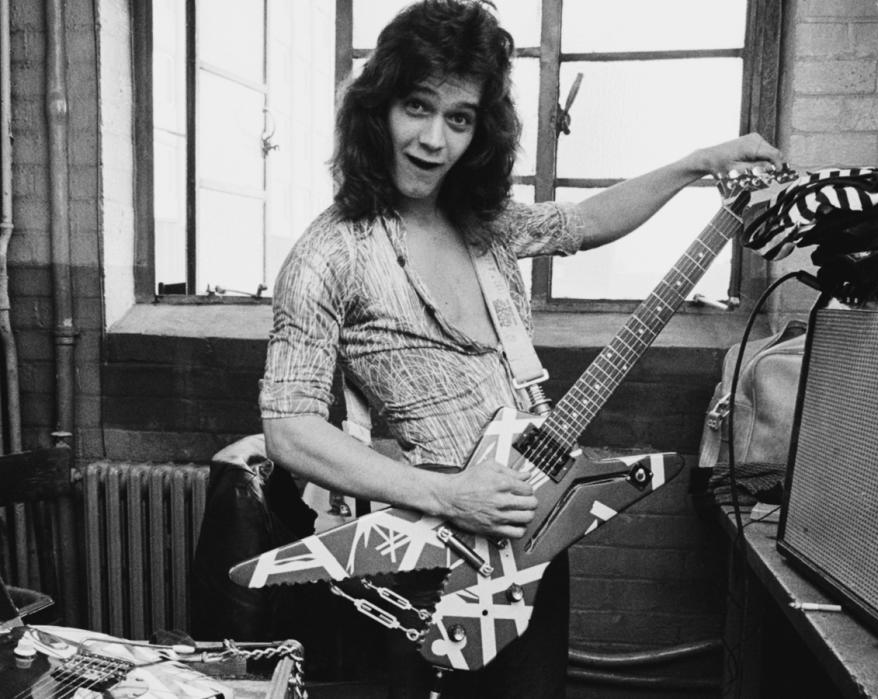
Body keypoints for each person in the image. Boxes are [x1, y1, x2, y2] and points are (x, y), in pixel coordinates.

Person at [258, 0, 783, 696]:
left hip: (530, 528)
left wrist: (699, 164)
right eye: (417, 106)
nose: (433, 139)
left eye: (459, 117)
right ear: (378, 107)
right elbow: (288, 429)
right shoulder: (328, 254)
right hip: (426, 550)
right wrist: (451, 493)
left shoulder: (484, 225)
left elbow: (582, 222)